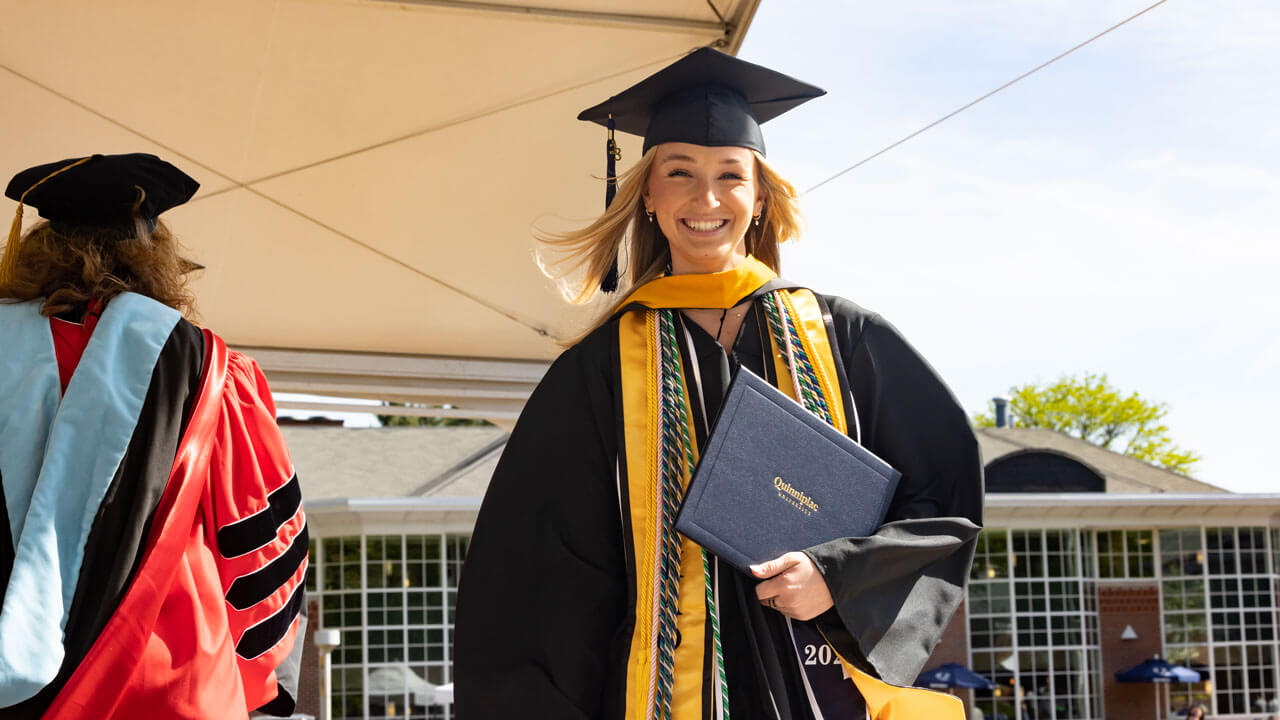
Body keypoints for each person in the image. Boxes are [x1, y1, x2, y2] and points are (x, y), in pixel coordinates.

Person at [454, 48, 982, 719]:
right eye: (680, 173)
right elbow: (540, 576)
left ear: (759, 195)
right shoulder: (597, 371)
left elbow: (944, 499)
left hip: (821, 689)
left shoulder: (846, 338)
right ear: (647, 193)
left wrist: (841, 577)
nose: (707, 199)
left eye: (730, 176)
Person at [0, 154, 308, 719]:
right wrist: (262, 686)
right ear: (152, 256)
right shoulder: (207, 368)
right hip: (169, 687)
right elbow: (261, 540)